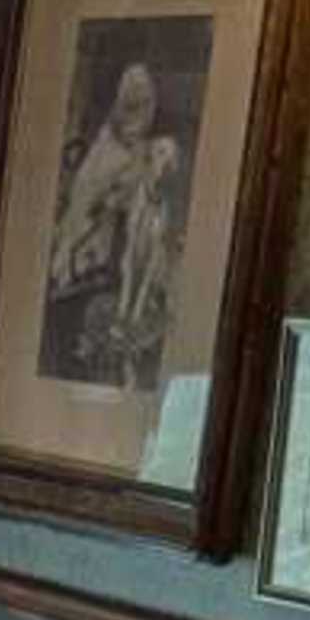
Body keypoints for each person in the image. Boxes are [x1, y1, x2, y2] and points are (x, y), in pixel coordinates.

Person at [42, 55, 189, 398]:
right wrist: (101, 207)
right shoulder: (106, 146)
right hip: (89, 241)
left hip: (119, 248)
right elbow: (87, 192)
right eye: (131, 106)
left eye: (145, 106)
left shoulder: (145, 154)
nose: (138, 115)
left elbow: (141, 197)